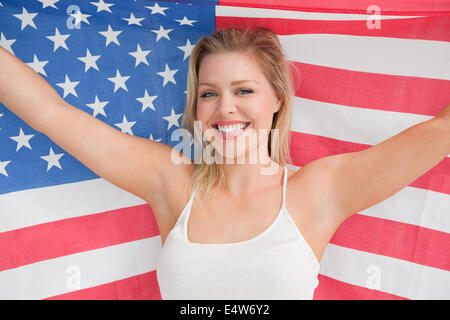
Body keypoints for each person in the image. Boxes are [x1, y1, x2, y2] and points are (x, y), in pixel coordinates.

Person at [0, 26, 449, 300]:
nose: (225, 109)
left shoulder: (321, 189)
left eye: (244, 90)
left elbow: (439, 132)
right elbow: (50, 114)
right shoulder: (170, 181)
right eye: (209, 93)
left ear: (277, 98)